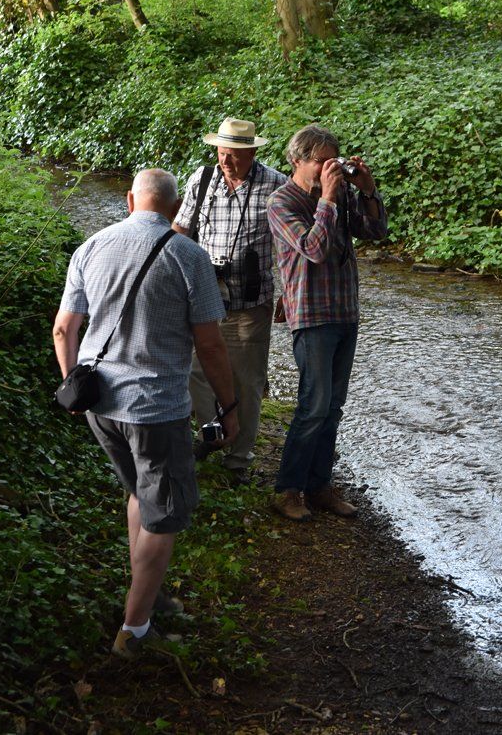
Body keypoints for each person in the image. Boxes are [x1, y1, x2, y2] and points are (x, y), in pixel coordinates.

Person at [53, 169, 238, 658]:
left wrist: (73, 382)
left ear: (130, 199)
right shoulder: (188, 256)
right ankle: (134, 633)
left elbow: (63, 328)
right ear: (174, 208)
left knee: (139, 490)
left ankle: (148, 593)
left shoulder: (90, 246)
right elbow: (212, 345)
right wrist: (229, 405)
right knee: (165, 517)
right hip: (155, 409)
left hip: (101, 404)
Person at [266, 124, 388, 522]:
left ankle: (319, 486)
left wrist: (367, 191)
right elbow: (314, 249)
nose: (328, 168)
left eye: (332, 160)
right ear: (297, 160)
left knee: (333, 407)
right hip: (311, 315)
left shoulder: (341, 196)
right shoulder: (282, 202)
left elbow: (376, 231)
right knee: (313, 406)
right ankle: (288, 489)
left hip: (344, 311)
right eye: (321, 161)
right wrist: (331, 198)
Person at [173, 118, 286, 483]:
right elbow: (179, 231)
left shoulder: (277, 185)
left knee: (247, 382)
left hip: (251, 303)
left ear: (252, 152)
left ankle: (238, 459)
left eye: (234, 155)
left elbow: (290, 246)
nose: (226, 161)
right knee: (195, 373)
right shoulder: (201, 179)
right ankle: (213, 434)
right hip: (203, 299)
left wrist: (289, 292)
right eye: (222, 153)